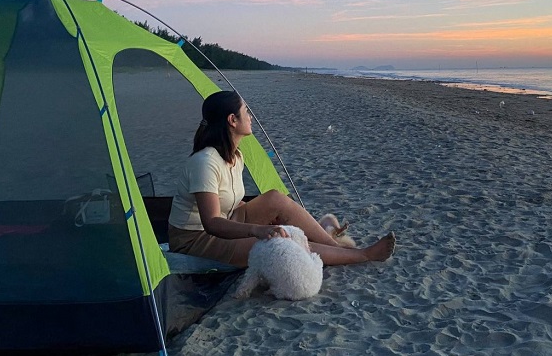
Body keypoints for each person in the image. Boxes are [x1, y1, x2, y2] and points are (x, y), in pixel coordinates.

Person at [168, 90, 395, 268]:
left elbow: (231, 201)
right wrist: (257, 229)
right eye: (246, 111)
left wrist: (269, 214)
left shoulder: (235, 156)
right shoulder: (205, 162)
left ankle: (336, 247)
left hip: (228, 219)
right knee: (280, 243)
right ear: (232, 120)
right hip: (196, 240)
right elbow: (211, 223)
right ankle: (362, 255)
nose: (251, 116)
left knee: (275, 199)